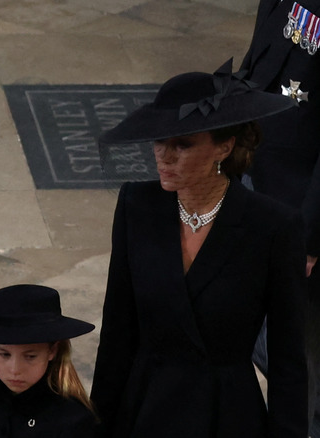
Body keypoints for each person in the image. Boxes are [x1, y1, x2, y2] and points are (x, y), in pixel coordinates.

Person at [90, 60, 308, 437]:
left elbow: (288, 359)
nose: (164, 156)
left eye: (183, 144)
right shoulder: (136, 206)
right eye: (160, 141)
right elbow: (117, 334)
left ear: (223, 147)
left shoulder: (272, 226)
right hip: (144, 412)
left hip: (225, 417)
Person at [240, 0, 320, 432]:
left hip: (300, 211)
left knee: (302, 361)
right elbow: (261, 66)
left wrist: (309, 238)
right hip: (257, 181)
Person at [0, 284, 97, 438]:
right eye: (4, 354)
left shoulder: (73, 420)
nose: (15, 369)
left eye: (30, 357)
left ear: (52, 351)